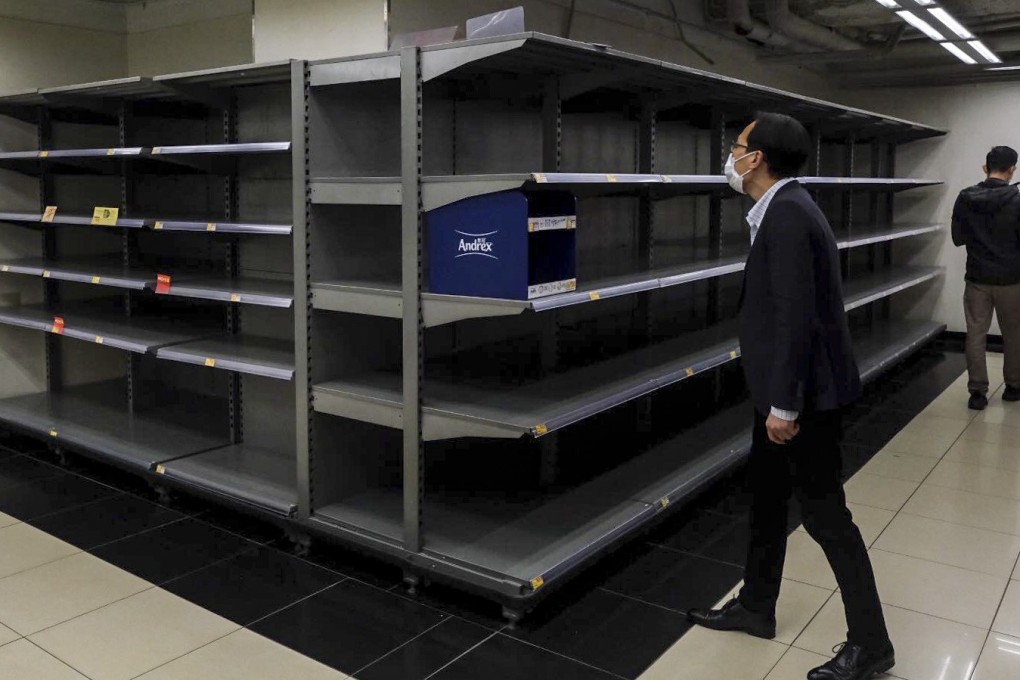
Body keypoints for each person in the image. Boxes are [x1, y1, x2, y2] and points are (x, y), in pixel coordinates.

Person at [686, 112, 894, 680]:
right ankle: (756, 607)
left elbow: (796, 318)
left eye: (739, 146)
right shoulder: (781, 209)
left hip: (804, 399)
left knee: (827, 518)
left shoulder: (789, 217)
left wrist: (784, 406)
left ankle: (872, 645)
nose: (732, 154)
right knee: (767, 500)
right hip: (786, 390)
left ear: (757, 160)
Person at [951, 146, 1020, 411]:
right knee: (1014, 335)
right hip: (1012, 280)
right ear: (1012, 169)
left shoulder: (966, 198)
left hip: (977, 278)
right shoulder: (1017, 200)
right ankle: (1013, 387)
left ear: (985, 168)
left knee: (975, 334)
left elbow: (958, 239)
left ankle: (977, 393)